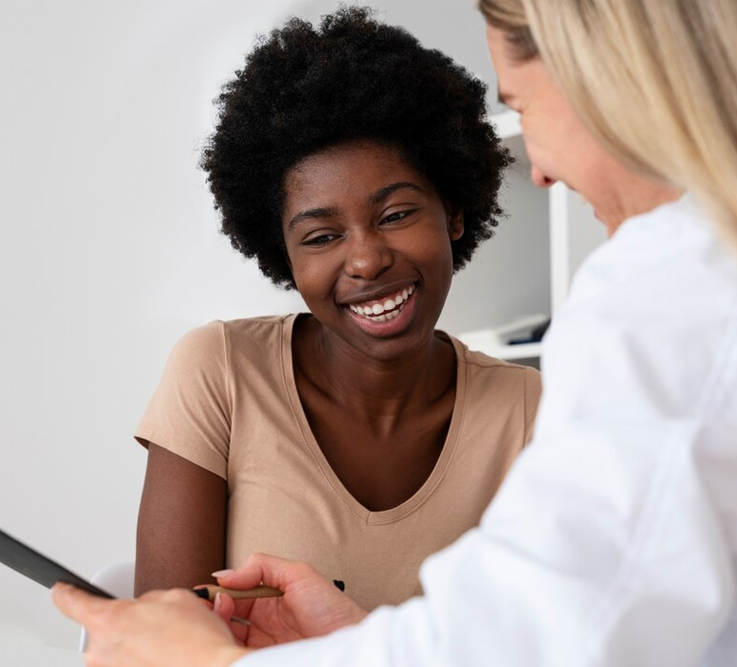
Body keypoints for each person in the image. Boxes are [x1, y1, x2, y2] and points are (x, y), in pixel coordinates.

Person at [53, 0, 737, 664]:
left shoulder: (664, 304)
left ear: (601, 79)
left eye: (520, 105)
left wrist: (224, 664)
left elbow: (551, 634)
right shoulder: (705, 287)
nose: (543, 172)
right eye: (321, 234)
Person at [131, 5, 541, 616]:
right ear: (285, 257)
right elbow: (169, 640)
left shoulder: (530, 413)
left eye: (396, 215)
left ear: (453, 212)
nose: (367, 261)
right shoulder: (219, 372)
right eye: (322, 237)